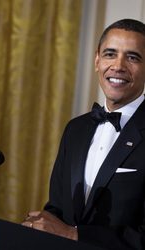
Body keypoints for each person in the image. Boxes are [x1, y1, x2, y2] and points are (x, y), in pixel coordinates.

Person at [22, 19, 145, 250]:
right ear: (97, 60)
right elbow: (57, 209)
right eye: (110, 54)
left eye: (132, 57)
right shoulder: (75, 129)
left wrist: (73, 235)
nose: (118, 65)